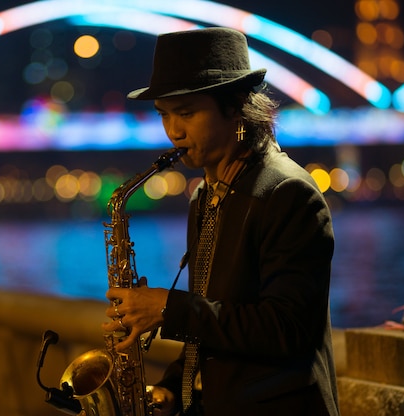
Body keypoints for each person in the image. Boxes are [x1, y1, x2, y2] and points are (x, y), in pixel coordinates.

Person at [101, 27, 340, 415]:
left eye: (187, 113)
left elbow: (288, 329)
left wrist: (168, 308)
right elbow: (217, 323)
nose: (173, 132)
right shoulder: (205, 196)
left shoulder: (288, 193)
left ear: (235, 107)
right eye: (164, 114)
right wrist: (172, 390)